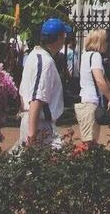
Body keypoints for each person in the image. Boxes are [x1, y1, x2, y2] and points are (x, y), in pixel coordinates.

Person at [16, 18, 72, 150]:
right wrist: (32, 134)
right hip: (39, 124)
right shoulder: (45, 61)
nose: (65, 39)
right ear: (58, 38)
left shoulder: (34, 55)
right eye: (64, 36)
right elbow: (37, 98)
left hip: (33, 120)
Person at [74, 29, 110, 144]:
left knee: (90, 142)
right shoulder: (96, 56)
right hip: (91, 103)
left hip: (86, 101)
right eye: (106, 40)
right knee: (89, 144)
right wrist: (109, 98)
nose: (107, 43)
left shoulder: (85, 56)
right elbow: (99, 80)